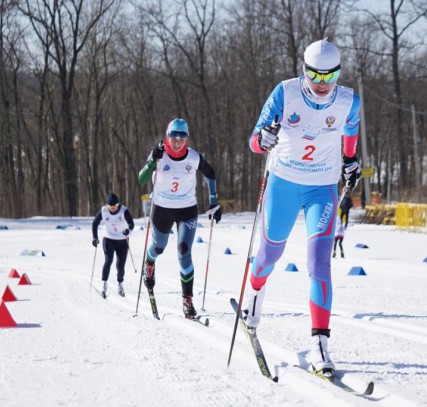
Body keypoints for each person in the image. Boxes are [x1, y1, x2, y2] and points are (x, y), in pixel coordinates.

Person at [242, 38, 362, 374]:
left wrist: (351, 162)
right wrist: (262, 139)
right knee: (268, 256)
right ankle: (254, 297)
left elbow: (350, 139)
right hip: (283, 184)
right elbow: (254, 140)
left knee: (319, 264)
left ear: (338, 73)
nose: (323, 84)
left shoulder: (349, 102)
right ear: (304, 70)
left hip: (321, 189)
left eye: (330, 77)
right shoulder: (285, 92)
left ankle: (320, 344)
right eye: (316, 76)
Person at [137, 118, 222, 319]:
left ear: (187, 138)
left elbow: (210, 173)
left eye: (182, 137)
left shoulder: (193, 157)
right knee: (159, 246)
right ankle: (149, 263)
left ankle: (187, 300)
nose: (177, 141)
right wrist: (151, 161)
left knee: (184, 251)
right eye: (173, 136)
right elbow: (141, 179)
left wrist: (213, 201)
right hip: (162, 208)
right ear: (167, 136)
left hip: (187, 209)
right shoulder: (159, 155)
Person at [91, 193, 135, 298]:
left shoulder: (123, 210)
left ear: (118, 204)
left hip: (122, 241)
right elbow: (95, 224)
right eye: (110, 206)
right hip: (108, 239)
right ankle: (104, 285)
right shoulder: (104, 211)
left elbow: (131, 224)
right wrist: (95, 237)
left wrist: (128, 230)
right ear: (107, 205)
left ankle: (120, 285)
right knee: (108, 260)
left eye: (115, 206)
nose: (113, 209)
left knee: (120, 265)